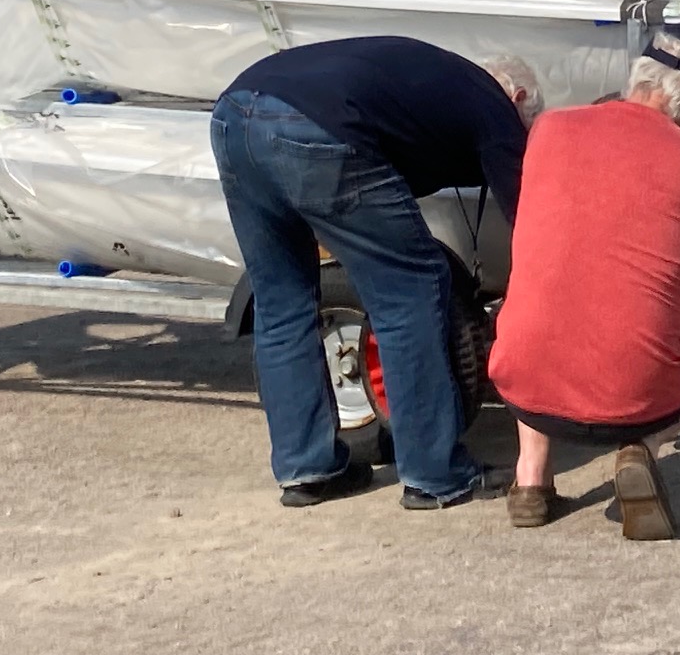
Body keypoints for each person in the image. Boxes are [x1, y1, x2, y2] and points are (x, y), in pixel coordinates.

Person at [209, 37, 541, 511]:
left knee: (281, 299)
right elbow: (528, 220)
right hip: (316, 127)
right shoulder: (493, 103)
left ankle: (308, 469)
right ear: (519, 97)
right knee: (411, 290)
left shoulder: (433, 79)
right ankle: (434, 474)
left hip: (233, 114)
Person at [489, 25, 680, 540]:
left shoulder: (548, 130)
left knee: (539, 319)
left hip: (521, 380)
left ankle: (530, 480)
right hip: (636, 394)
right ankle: (640, 449)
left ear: (638, 74)